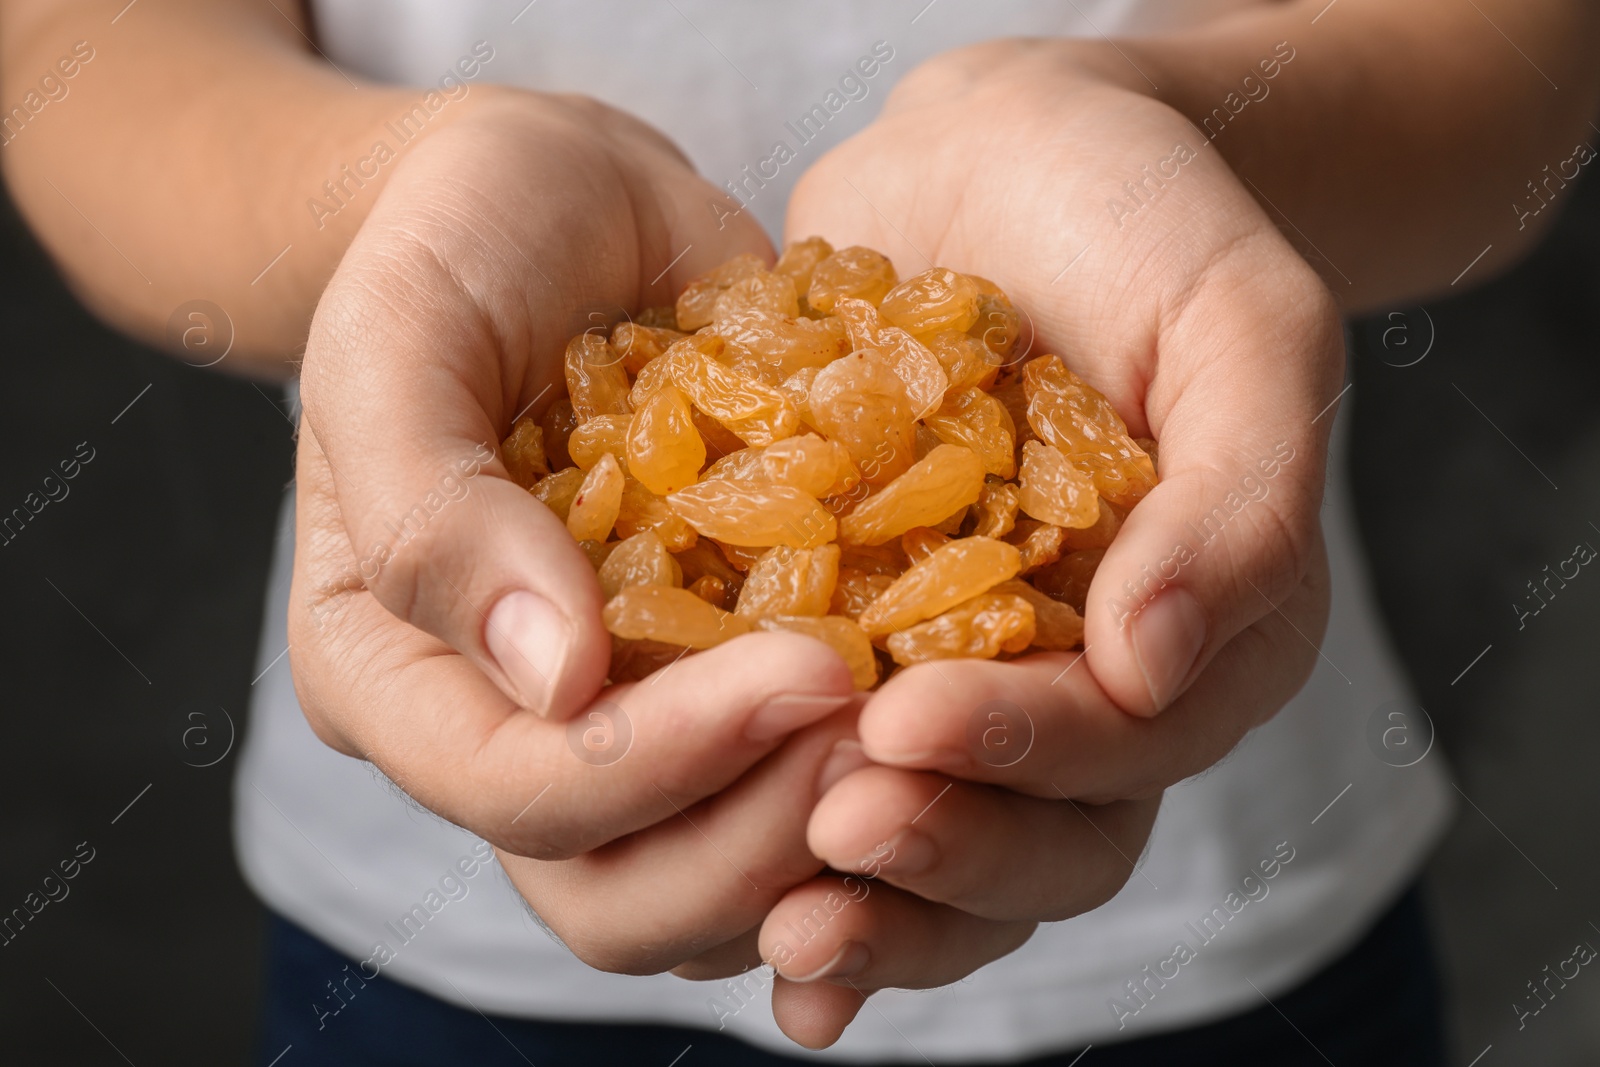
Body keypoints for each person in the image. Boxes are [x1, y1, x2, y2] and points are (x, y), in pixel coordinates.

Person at [4, 0, 1595, 1062]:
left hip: (1220, 876)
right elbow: (80, 54)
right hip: (430, 914)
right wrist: (395, 199)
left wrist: (1178, 127)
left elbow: (1519, 57)